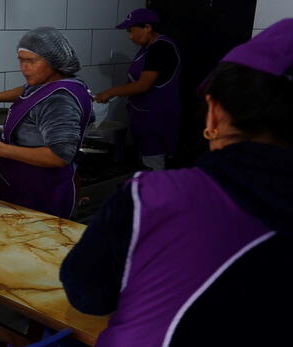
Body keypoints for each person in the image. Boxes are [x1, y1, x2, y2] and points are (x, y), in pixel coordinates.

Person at [60, 19, 293, 346]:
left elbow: (86, 292)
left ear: (213, 114)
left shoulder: (152, 197)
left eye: (131, 29)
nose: (129, 35)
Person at [0, 26, 93, 218]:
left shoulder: (60, 100)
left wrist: (1, 149)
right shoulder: (53, 83)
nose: (24, 67)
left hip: (43, 196)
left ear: (54, 61)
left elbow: (59, 156)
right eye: (21, 60)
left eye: (31, 61)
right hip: (26, 190)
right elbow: (27, 91)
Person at [94, 8, 181, 170]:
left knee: (153, 165)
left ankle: (154, 194)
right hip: (144, 115)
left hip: (156, 117)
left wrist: (109, 92)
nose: (130, 37)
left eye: (132, 31)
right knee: (145, 161)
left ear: (147, 27)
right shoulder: (148, 47)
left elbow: (143, 85)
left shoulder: (160, 48)